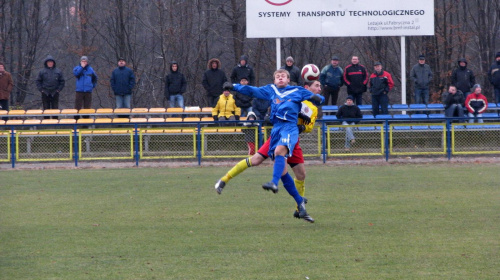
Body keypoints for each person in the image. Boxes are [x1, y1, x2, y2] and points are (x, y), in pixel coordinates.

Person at [214, 77, 324, 223]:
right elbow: (264, 97)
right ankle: (224, 180)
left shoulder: (313, 106)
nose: (319, 88)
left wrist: (304, 127)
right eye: (316, 85)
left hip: (292, 138)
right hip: (280, 136)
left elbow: (309, 125)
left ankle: (299, 208)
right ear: (307, 86)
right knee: (259, 160)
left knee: (301, 174)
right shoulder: (296, 94)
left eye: (320, 86)